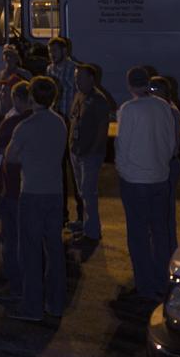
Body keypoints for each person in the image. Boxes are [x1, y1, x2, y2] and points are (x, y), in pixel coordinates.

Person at [4, 75, 67, 323]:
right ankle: (56, 303)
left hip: (32, 192)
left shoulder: (25, 126)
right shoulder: (60, 123)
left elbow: (10, 157)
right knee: (54, 250)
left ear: (31, 97)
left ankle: (32, 306)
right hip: (55, 192)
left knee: (30, 252)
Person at [115, 65, 178, 301]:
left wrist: (123, 170)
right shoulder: (164, 107)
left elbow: (122, 146)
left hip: (136, 180)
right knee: (160, 233)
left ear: (130, 84)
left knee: (139, 235)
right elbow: (170, 143)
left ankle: (145, 285)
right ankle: (162, 281)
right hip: (160, 178)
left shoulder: (129, 110)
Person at [0, 81, 31, 300]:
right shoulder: (48, 120)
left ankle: (14, 285)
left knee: (11, 239)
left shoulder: (12, 122)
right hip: (35, 188)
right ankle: (32, 282)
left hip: (12, 187)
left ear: (16, 99)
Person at [68, 64, 110, 246]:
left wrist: (93, 149)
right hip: (76, 151)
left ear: (91, 79)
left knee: (88, 192)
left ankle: (92, 231)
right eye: (76, 78)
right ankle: (84, 223)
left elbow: (103, 128)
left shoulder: (99, 100)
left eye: (80, 78)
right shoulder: (79, 95)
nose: (77, 81)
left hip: (89, 154)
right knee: (81, 191)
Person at [47, 35, 81, 225]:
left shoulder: (73, 69)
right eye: (50, 51)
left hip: (69, 120)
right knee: (59, 169)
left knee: (75, 169)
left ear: (64, 51)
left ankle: (81, 214)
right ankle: (62, 214)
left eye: (55, 51)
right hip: (56, 120)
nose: (52, 55)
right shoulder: (49, 69)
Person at [150, 75, 180, 255]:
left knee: (167, 211)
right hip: (163, 163)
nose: (153, 93)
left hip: (168, 164)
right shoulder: (161, 109)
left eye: (156, 89)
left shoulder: (170, 111)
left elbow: (172, 144)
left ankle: (170, 250)